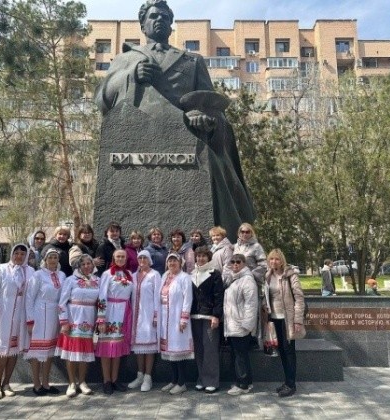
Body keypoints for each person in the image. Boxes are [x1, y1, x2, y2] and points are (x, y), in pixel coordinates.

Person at [94, 0, 255, 240]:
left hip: (186, 138)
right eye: (154, 16)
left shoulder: (192, 61)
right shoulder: (125, 59)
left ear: (171, 26)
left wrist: (205, 119)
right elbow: (102, 100)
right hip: (137, 133)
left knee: (216, 169)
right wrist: (132, 75)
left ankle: (227, 242)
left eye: (165, 17)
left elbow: (211, 104)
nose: (160, 20)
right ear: (143, 25)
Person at [0, 243, 34, 399]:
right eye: (16, 253)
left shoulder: (30, 271)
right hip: (3, 315)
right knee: (0, 350)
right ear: (12, 254)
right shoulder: (1, 269)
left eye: (22, 254)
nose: (19, 256)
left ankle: (6, 383)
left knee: (13, 350)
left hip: (20, 316)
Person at [262, 249, 305, 398]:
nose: (274, 262)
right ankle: (287, 382)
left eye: (277, 259)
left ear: (282, 261)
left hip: (288, 319)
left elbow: (299, 298)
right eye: (271, 259)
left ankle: (291, 384)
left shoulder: (290, 275)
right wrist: (265, 305)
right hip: (274, 318)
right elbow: (267, 295)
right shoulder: (268, 275)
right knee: (281, 350)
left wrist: (298, 320)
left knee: (289, 351)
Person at [55, 254, 100, 398]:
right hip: (73, 318)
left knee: (85, 353)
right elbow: (62, 303)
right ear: (79, 266)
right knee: (72, 352)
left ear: (93, 265)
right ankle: (71, 383)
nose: (86, 266)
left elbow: (102, 301)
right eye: (83, 264)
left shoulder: (97, 281)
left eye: (89, 263)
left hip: (89, 319)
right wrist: (64, 322)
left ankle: (82, 382)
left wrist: (100, 319)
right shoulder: (71, 280)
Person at [24, 248, 65, 396]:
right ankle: (36, 383)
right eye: (50, 257)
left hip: (55, 315)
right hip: (40, 313)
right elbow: (29, 298)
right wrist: (30, 320)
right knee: (37, 351)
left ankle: (46, 383)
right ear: (45, 260)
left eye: (55, 257)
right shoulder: (38, 275)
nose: (53, 260)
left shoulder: (62, 275)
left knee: (49, 351)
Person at [95, 249, 134, 395]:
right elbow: (102, 295)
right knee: (106, 347)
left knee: (117, 347)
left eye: (123, 256)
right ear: (113, 258)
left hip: (123, 313)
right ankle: (106, 380)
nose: (121, 259)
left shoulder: (129, 274)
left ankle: (115, 379)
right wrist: (101, 318)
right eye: (118, 256)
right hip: (110, 312)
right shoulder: (107, 274)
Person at [158, 253, 194, 395]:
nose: (172, 263)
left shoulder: (184, 277)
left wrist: (184, 318)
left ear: (180, 263)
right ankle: (173, 380)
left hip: (177, 318)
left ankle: (181, 382)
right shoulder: (165, 276)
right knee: (170, 352)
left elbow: (188, 299)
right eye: (170, 261)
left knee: (178, 351)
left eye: (174, 261)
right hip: (165, 320)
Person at [190, 246, 224, 394]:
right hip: (195, 316)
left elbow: (219, 296)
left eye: (204, 256)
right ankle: (201, 379)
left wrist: (216, 315)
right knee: (199, 349)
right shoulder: (192, 274)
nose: (201, 258)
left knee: (210, 349)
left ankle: (212, 381)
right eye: (198, 256)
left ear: (208, 258)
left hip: (210, 316)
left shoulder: (215, 274)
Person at [224, 253, 258, 396]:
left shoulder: (247, 280)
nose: (235, 264)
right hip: (232, 324)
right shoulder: (233, 279)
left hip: (241, 325)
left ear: (244, 264)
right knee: (238, 355)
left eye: (238, 262)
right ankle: (245, 382)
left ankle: (243, 384)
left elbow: (251, 304)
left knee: (240, 356)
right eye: (233, 262)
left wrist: (247, 325)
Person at [128, 250, 161, 392]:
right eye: (140, 257)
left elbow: (158, 296)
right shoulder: (133, 276)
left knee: (149, 347)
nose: (142, 260)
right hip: (136, 317)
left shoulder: (155, 275)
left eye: (145, 258)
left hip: (149, 315)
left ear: (149, 260)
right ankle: (140, 375)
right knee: (138, 348)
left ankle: (148, 377)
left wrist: (156, 315)